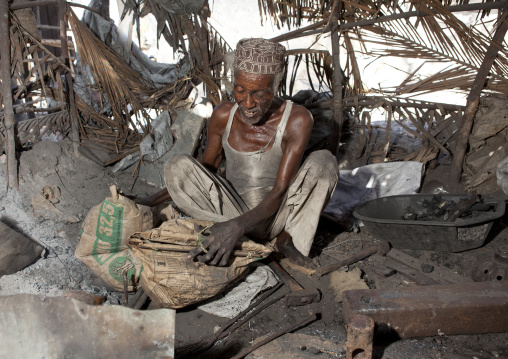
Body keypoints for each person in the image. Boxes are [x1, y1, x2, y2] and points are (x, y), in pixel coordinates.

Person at [160, 38, 339, 267]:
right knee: (177, 166)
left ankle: (286, 241)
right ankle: (230, 237)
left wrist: (237, 227)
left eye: (259, 94)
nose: (247, 102)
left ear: (275, 87)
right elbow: (205, 172)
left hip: (276, 217)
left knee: (324, 161)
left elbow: (280, 190)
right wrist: (149, 200)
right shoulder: (223, 114)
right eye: (240, 90)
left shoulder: (297, 119)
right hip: (227, 214)